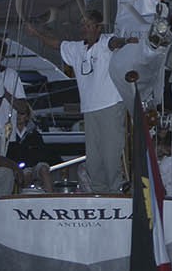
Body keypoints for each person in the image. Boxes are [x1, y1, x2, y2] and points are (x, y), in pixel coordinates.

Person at [24, 10, 139, 193]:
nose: (84, 28)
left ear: (98, 27)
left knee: (111, 155)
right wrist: (37, 33)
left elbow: (114, 43)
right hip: (89, 109)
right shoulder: (77, 48)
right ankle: (98, 191)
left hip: (110, 105)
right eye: (82, 25)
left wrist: (125, 41)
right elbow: (56, 44)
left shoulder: (105, 42)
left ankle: (116, 190)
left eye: (88, 25)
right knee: (94, 158)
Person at [7, 99, 54, 191]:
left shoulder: (34, 134)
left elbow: (42, 152)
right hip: (16, 167)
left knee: (44, 169)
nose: (18, 116)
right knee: (26, 174)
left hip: (33, 165)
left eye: (22, 114)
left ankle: (50, 197)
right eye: (16, 114)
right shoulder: (9, 134)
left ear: (27, 117)